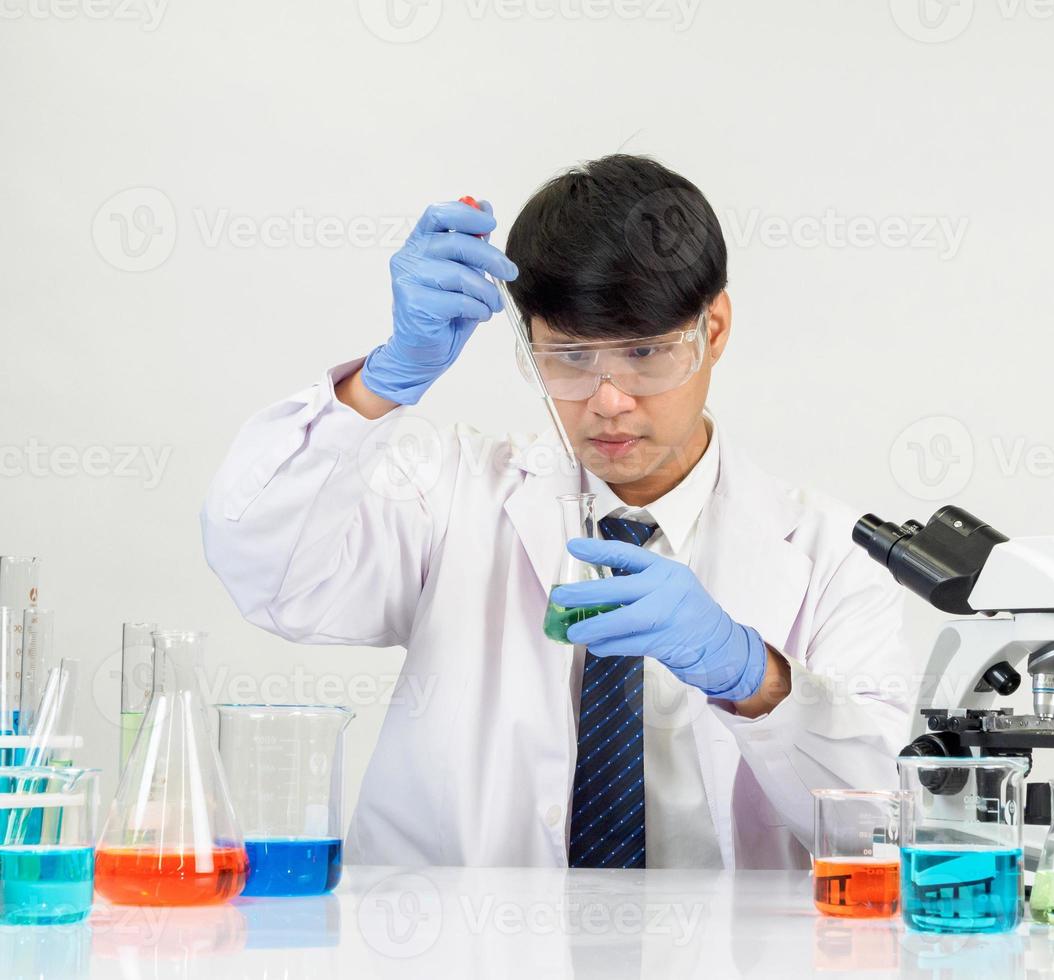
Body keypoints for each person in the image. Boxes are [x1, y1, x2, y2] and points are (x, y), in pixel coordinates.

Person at [201, 154, 914, 869]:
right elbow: (265, 568)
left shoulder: (834, 557)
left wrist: (756, 678)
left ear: (714, 329)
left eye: (643, 352)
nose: (607, 399)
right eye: (569, 356)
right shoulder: (450, 493)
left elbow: (878, 827)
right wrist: (381, 383)